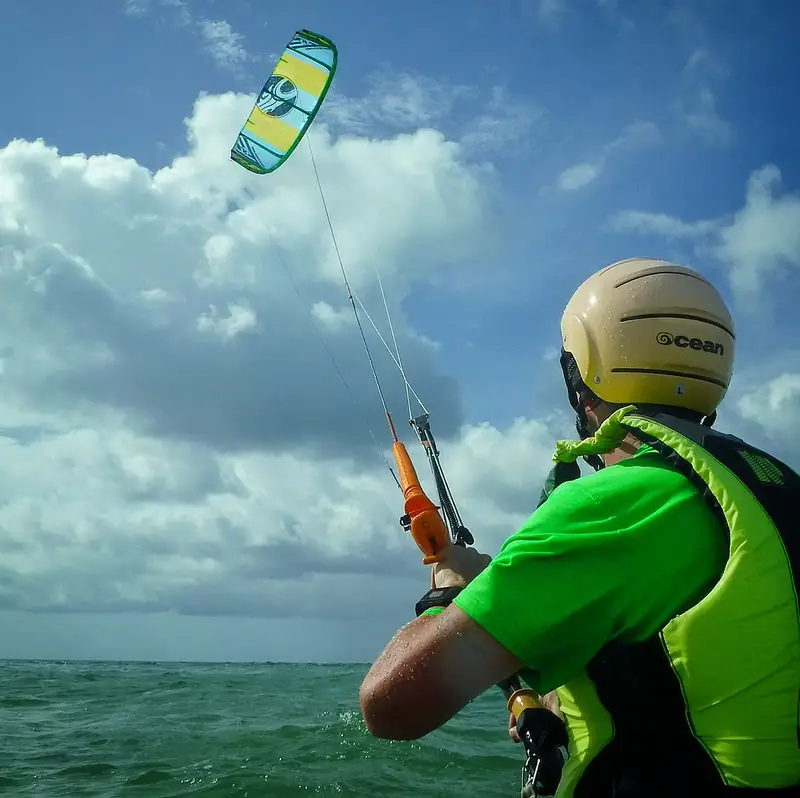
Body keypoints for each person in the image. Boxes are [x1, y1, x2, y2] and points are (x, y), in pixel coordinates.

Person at [359, 257, 800, 797]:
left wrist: (445, 593)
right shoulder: (768, 486)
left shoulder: (608, 509)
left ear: (581, 373)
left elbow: (389, 707)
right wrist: (554, 697)